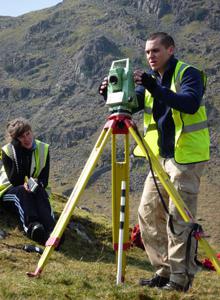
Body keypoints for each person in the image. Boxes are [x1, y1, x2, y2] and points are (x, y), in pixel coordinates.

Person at [99, 32, 210, 292]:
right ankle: (163, 270)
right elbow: (131, 103)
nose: (151, 56)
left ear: (170, 50)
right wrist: (109, 94)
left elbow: (191, 103)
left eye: (156, 51)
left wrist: (154, 88)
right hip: (159, 158)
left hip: (186, 158)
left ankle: (180, 280)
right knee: (147, 214)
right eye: (148, 52)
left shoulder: (188, 73)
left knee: (178, 220)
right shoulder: (150, 81)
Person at [0, 118, 55, 245]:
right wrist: (18, 151)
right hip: (9, 192)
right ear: (15, 139)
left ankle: (52, 229)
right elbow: (15, 180)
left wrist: (36, 183)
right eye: (21, 137)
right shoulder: (8, 151)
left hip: (31, 189)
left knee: (40, 190)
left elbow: (44, 179)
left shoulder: (43, 149)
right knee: (21, 191)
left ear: (31, 132)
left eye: (28, 133)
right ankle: (33, 228)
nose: (27, 138)